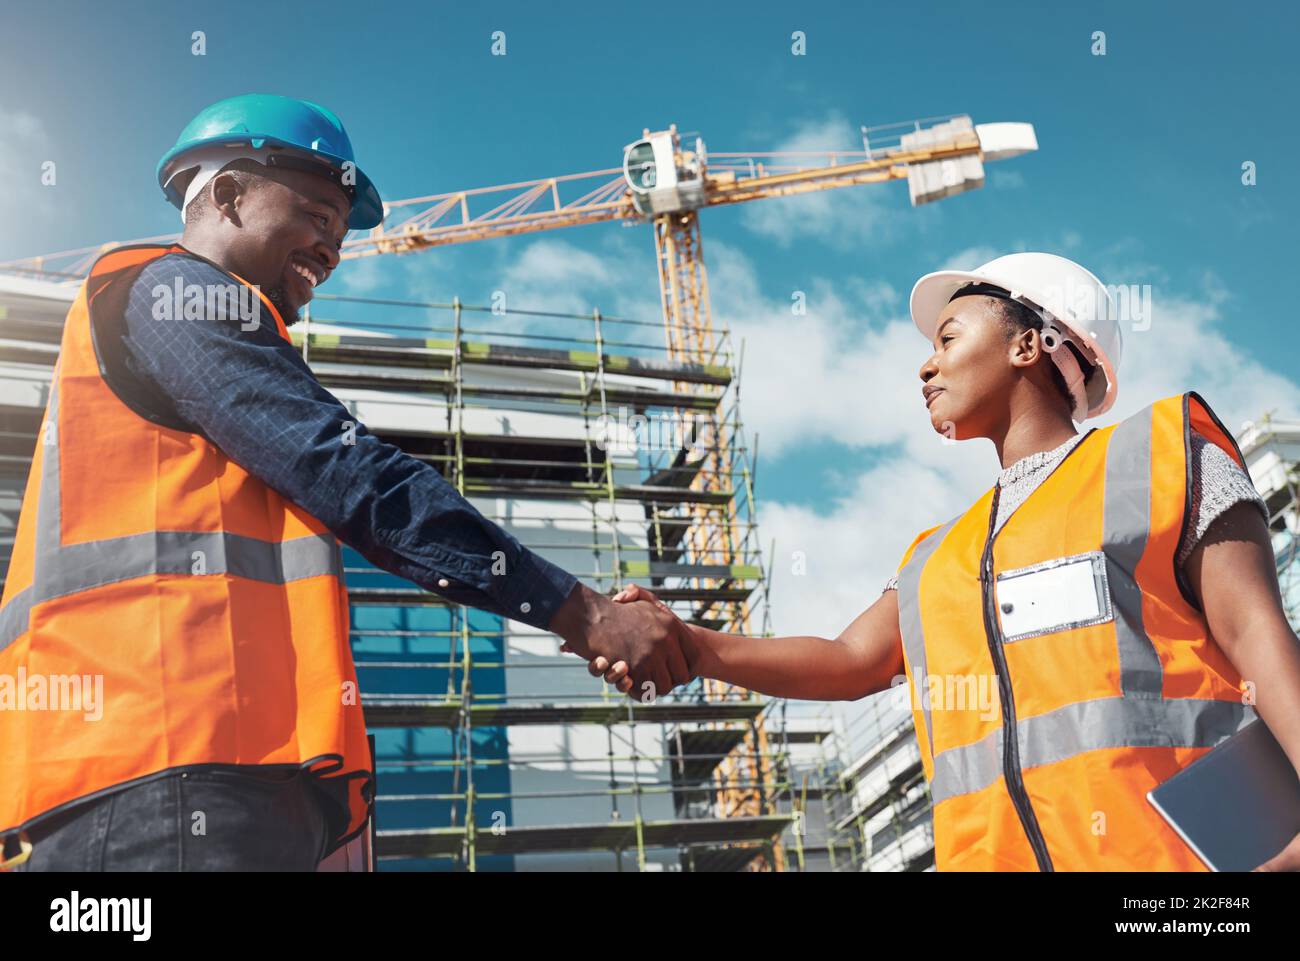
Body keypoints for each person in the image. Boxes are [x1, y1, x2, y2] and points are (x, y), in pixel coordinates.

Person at [0, 94, 690, 872]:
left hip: (206, 774)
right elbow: (348, 472)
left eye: (340, 231)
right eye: (318, 215)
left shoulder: (203, 331)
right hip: (159, 768)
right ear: (228, 194)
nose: (332, 247)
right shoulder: (173, 293)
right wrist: (582, 610)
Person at [594, 253, 1300, 872]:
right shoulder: (937, 555)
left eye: (949, 338)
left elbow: (1258, 637)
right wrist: (690, 644)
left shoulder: (1160, 455)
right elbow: (849, 660)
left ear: (1030, 344)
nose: (926, 364)